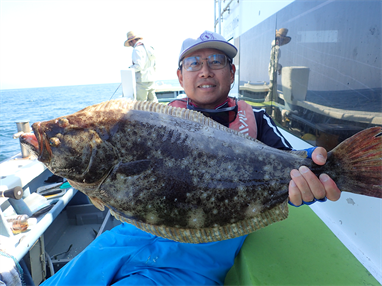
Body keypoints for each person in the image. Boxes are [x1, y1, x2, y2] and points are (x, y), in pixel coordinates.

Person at [41, 31, 340, 286]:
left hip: (205, 244)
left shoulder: (256, 119)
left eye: (216, 61)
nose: (205, 70)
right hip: (133, 233)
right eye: (194, 63)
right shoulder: (149, 120)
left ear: (232, 73)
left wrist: (314, 181)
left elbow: (294, 165)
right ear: (180, 76)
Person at [124, 31, 157, 102]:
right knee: (153, 103)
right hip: (151, 79)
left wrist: (129, 69)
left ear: (132, 41)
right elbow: (154, 64)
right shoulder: (149, 48)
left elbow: (139, 66)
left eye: (130, 43)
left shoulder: (137, 49)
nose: (130, 45)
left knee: (141, 104)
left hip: (142, 80)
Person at [266, 28, 291, 102]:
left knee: (272, 88)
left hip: (272, 71)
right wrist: (280, 68)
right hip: (273, 72)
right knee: (272, 88)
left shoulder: (273, 48)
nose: (280, 41)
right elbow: (275, 63)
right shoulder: (276, 48)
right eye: (280, 39)